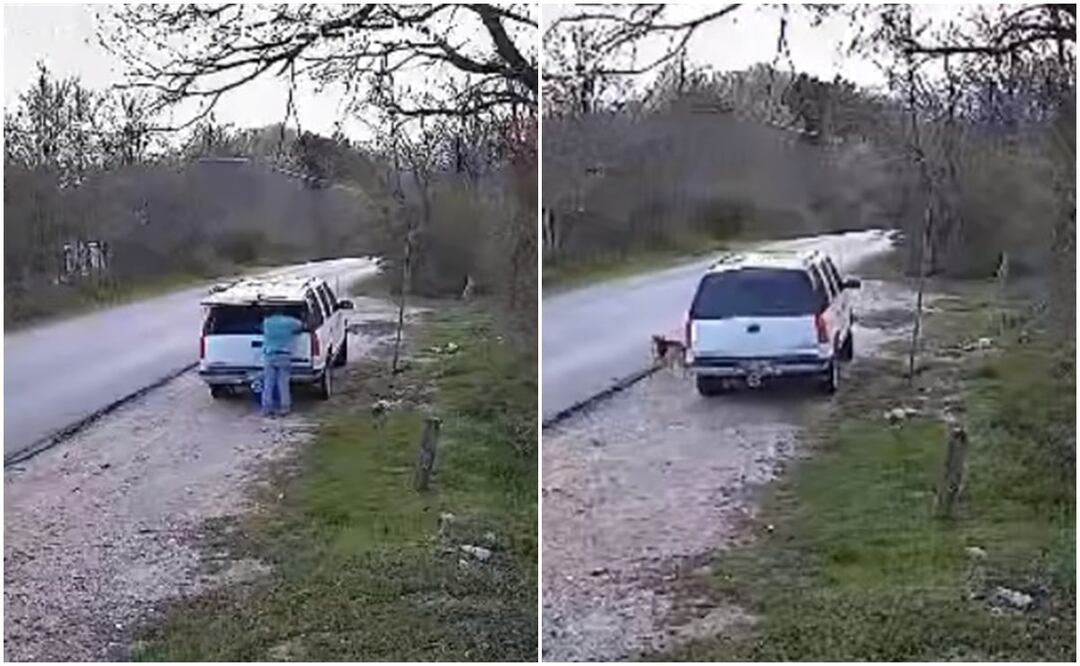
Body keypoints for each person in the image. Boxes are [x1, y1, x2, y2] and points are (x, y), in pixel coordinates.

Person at [260, 307, 304, 417]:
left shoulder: (267, 322)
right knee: (283, 383)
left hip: (269, 355)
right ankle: (285, 407)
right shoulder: (289, 322)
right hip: (284, 355)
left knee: (268, 383)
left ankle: (267, 408)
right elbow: (301, 326)